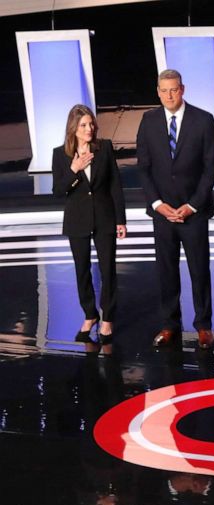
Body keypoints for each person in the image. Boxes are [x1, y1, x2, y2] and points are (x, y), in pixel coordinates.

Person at [136, 69, 214, 349]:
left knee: (199, 270)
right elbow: (144, 168)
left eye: (173, 89)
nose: (169, 95)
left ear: (182, 89)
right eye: (164, 90)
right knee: (166, 270)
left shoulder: (204, 120)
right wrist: (158, 205)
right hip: (163, 213)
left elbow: (210, 169)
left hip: (193, 212)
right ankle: (169, 324)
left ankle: (203, 326)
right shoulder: (148, 121)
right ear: (158, 91)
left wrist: (192, 205)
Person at [51, 104, 126, 343]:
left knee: (108, 270)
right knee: (81, 270)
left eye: (91, 124)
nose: (89, 128)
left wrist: (120, 220)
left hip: (104, 217)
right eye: (83, 125)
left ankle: (107, 319)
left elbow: (115, 185)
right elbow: (57, 191)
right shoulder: (60, 154)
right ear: (73, 128)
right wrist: (74, 169)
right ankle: (90, 314)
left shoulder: (104, 148)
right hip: (77, 219)